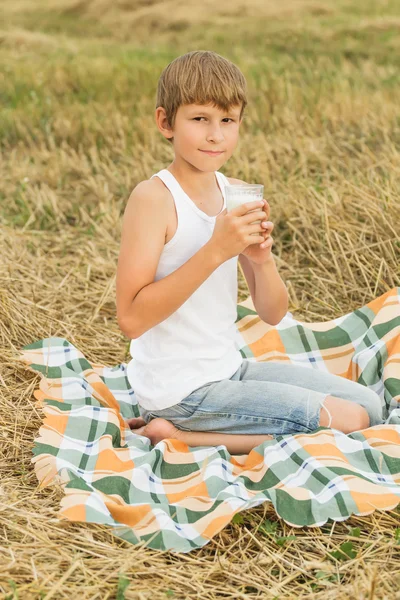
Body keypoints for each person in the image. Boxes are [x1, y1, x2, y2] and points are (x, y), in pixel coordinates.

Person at [116, 50, 383, 454]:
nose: (215, 135)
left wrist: (261, 260)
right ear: (165, 123)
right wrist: (216, 251)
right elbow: (131, 319)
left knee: (370, 405)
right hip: (180, 390)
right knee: (351, 422)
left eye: (228, 120)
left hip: (228, 370)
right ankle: (178, 435)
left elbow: (273, 314)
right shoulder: (154, 199)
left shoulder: (235, 193)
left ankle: (189, 432)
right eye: (199, 119)